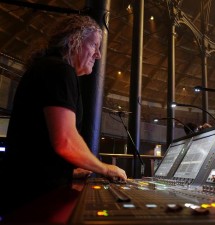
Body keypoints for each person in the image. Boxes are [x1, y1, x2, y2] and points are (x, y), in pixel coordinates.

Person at [0, 15, 127, 218]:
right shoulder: (59, 70)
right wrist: (105, 168)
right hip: (33, 198)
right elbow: (65, 141)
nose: (98, 55)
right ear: (74, 41)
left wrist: (68, 171)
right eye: (94, 45)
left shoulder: (49, 68)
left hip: (25, 189)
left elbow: (40, 142)